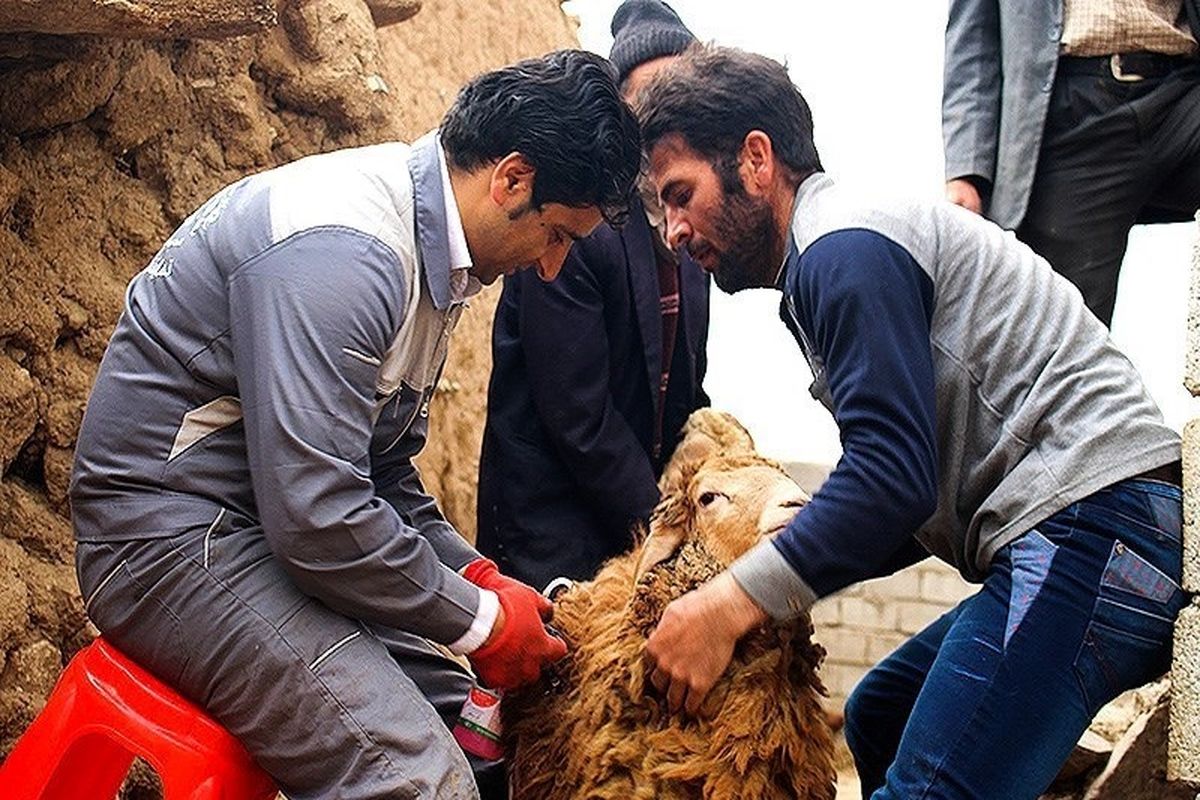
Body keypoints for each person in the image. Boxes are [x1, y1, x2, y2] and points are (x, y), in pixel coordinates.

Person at [69, 50, 641, 800]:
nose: (553, 266)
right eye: (560, 234)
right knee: (416, 779)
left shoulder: (437, 263)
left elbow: (380, 473)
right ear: (512, 179)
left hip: (267, 537)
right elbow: (319, 517)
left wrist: (477, 577)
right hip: (167, 540)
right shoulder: (348, 251)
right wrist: (481, 624)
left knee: (477, 738)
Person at [635, 44, 1188, 800]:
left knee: (928, 789)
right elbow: (901, 499)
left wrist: (728, 605)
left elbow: (891, 481)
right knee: (882, 712)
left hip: (1097, 532)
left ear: (756, 160)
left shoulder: (843, 251)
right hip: (1089, 530)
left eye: (678, 193)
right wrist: (770, 580)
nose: (671, 230)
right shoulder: (835, 256)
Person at [476, 0, 709, 591]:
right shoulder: (574, 224)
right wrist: (665, 529)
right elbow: (579, 419)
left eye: (688, 91)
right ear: (624, 114)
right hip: (549, 535)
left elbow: (681, 390)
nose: (673, 113)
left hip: (628, 528)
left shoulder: (691, 229)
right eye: (655, 96)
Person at [943, 0, 1200, 326]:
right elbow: (973, 42)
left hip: (1182, 89)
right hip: (1074, 111)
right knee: (1069, 330)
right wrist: (967, 173)